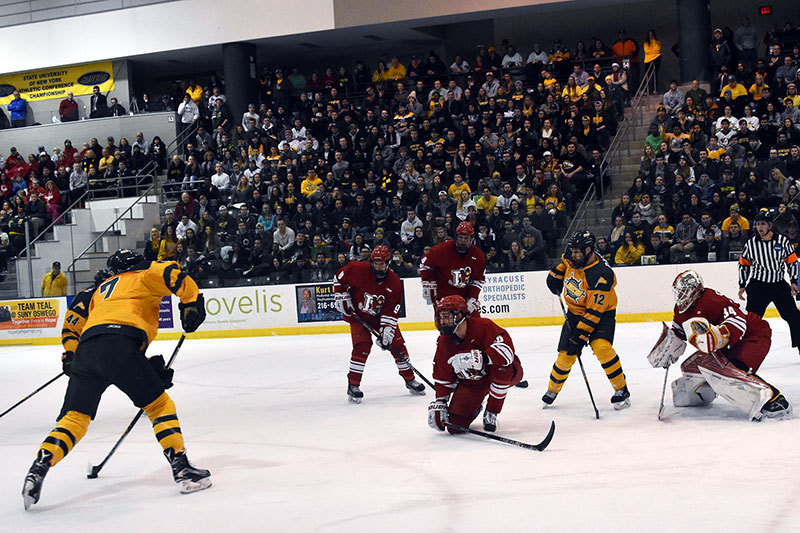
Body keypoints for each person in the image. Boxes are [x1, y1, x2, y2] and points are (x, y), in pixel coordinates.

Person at [22, 250, 209, 510]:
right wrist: (191, 303)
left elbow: (88, 327)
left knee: (75, 418)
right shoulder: (143, 274)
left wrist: (72, 355)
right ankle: (181, 467)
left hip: (88, 349)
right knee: (158, 406)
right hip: (121, 344)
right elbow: (172, 273)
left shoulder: (99, 291)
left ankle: (40, 465)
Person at [648, 270, 790, 420]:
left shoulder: (711, 299)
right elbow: (679, 332)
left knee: (731, 370)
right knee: (693, 366)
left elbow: (738, 322)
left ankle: (773, 399)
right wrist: (668, 348)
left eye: (684, 291)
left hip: (753, 335)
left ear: (695, 290)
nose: (680, 296)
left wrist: (719, 336)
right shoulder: (681, 309)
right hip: (726, 344)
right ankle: (702, 393)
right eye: (679, 292)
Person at [544, 231, 630, 409]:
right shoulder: (572, 257)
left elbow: (593, 313)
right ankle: (552, 389)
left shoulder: (601, 274)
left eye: (578, 252)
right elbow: (563, 265)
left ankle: (621, 389)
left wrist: (580, 336)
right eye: (572, 251)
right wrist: (555, 275)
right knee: (565, 355)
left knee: (602, 347)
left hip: (602, 314)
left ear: (589, 250)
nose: (573, 255)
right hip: (575, 313)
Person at [333, 245, 425, 403]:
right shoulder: (357, 268)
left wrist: (387, 333)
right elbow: (339, 278)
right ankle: (353, 385)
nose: (378, 266)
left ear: (388, 263)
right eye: (375, 263)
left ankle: (409, 379)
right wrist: (341, 295)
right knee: (362, 346)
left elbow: (391, 312)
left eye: (382, 263)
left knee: (397, 345)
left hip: (379, 317)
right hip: (358, 315)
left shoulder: (394, 282)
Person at [427, 295, 524, 434]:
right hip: (472, 383)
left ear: (460, 315)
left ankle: (492, 411)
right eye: (441, 317)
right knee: (454, 426)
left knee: (503, 369)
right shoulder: (444, 341)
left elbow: (507, 352)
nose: (443, 321)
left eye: (447, 316)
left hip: (497, 373)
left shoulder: (483, 326)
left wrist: (483, 357)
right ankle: (473, 408)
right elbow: (443, 375)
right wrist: (441, 402)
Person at [738, 210, 800, 354]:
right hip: (758, 287)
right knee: (752, 321)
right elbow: (744, 265)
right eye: (758, 224)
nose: (760, 227)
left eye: (763, 224)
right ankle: (743, 351)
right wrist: (742, 284)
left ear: (770, 225)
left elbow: (791, 262)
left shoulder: (782, 241)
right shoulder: (751, 244)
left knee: (794, 316)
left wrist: (793, 281)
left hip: (778, 285)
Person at [419, 221, 486, 315]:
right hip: (443, 297)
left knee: (474, 326)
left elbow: (477, 280)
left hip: (464, 298)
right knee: (447, 327)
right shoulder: (442, 250)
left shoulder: (478, 256)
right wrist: (427, 283)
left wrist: (472, 298)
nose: (463, 241)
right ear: (456, 237)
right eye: (461, 237)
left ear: (471, 239)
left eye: (466, 238)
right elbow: (424, 262)